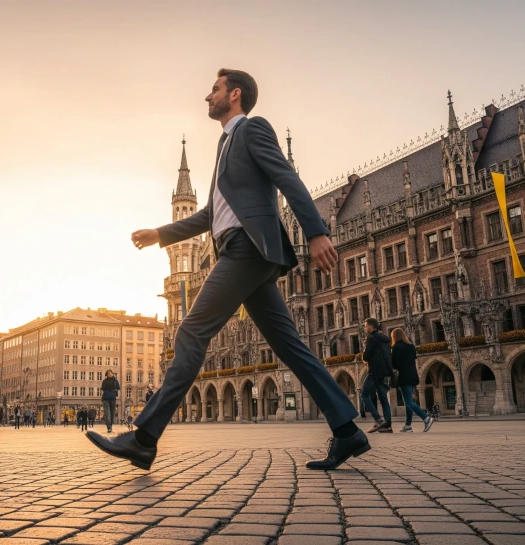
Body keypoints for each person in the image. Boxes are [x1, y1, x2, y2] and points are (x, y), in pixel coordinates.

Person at [87, 69, 366, 471]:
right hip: (242, 254)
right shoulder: (224, 146)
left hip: (246, 249)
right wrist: (161, 234)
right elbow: (210, 215)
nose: (208, 96)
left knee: (191, 331)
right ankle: (347, 431)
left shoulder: (252, 129)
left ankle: (144, 438)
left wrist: (316, 231)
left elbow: (286, 177)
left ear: (234, 94)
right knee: (290, 346)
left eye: (215, 89)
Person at [391, 328, 434, 432]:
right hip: (413, 375)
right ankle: (408, 425)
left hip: (403, 376)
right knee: (409, 401)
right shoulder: (411, 346)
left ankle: (426, 418)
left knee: (408, 402)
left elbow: (395, 364)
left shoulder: (396, 347)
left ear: (394, 337)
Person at [361, 318, 393, 433]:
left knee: (364, 395)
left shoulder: (372, 338)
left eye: (365, 326)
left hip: (374, 371)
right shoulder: (385, 338)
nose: (365, 328)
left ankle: (378, 420)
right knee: (384, 399)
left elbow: (366, 356)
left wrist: (364, 355)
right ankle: (387, 426)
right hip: (385, 372)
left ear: (370, 327)